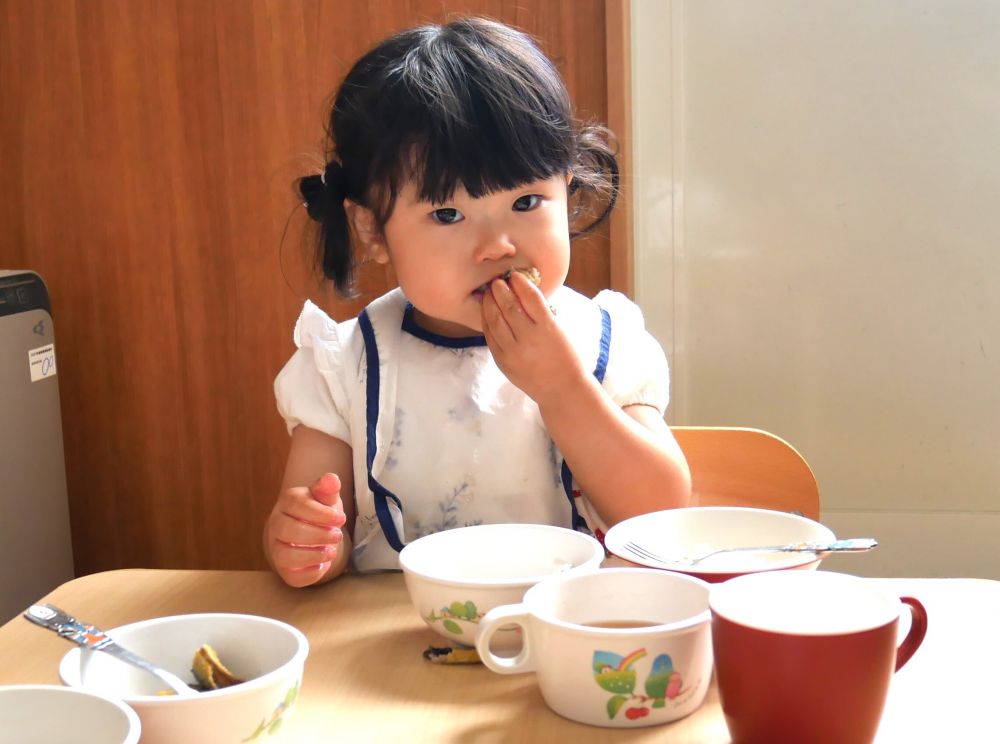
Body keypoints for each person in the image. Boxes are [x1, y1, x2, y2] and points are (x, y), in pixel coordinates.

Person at [264, 17, 691, 588]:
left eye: (527, 201)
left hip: (562, 634)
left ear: (567, 188)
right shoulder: (343, 365)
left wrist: (563, 388)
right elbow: (321, 528)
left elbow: (658, 518)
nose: (498, 246)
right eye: (447, 215)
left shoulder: (606, 342)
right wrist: (307, 543)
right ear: (371, 229)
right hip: (401, 645)